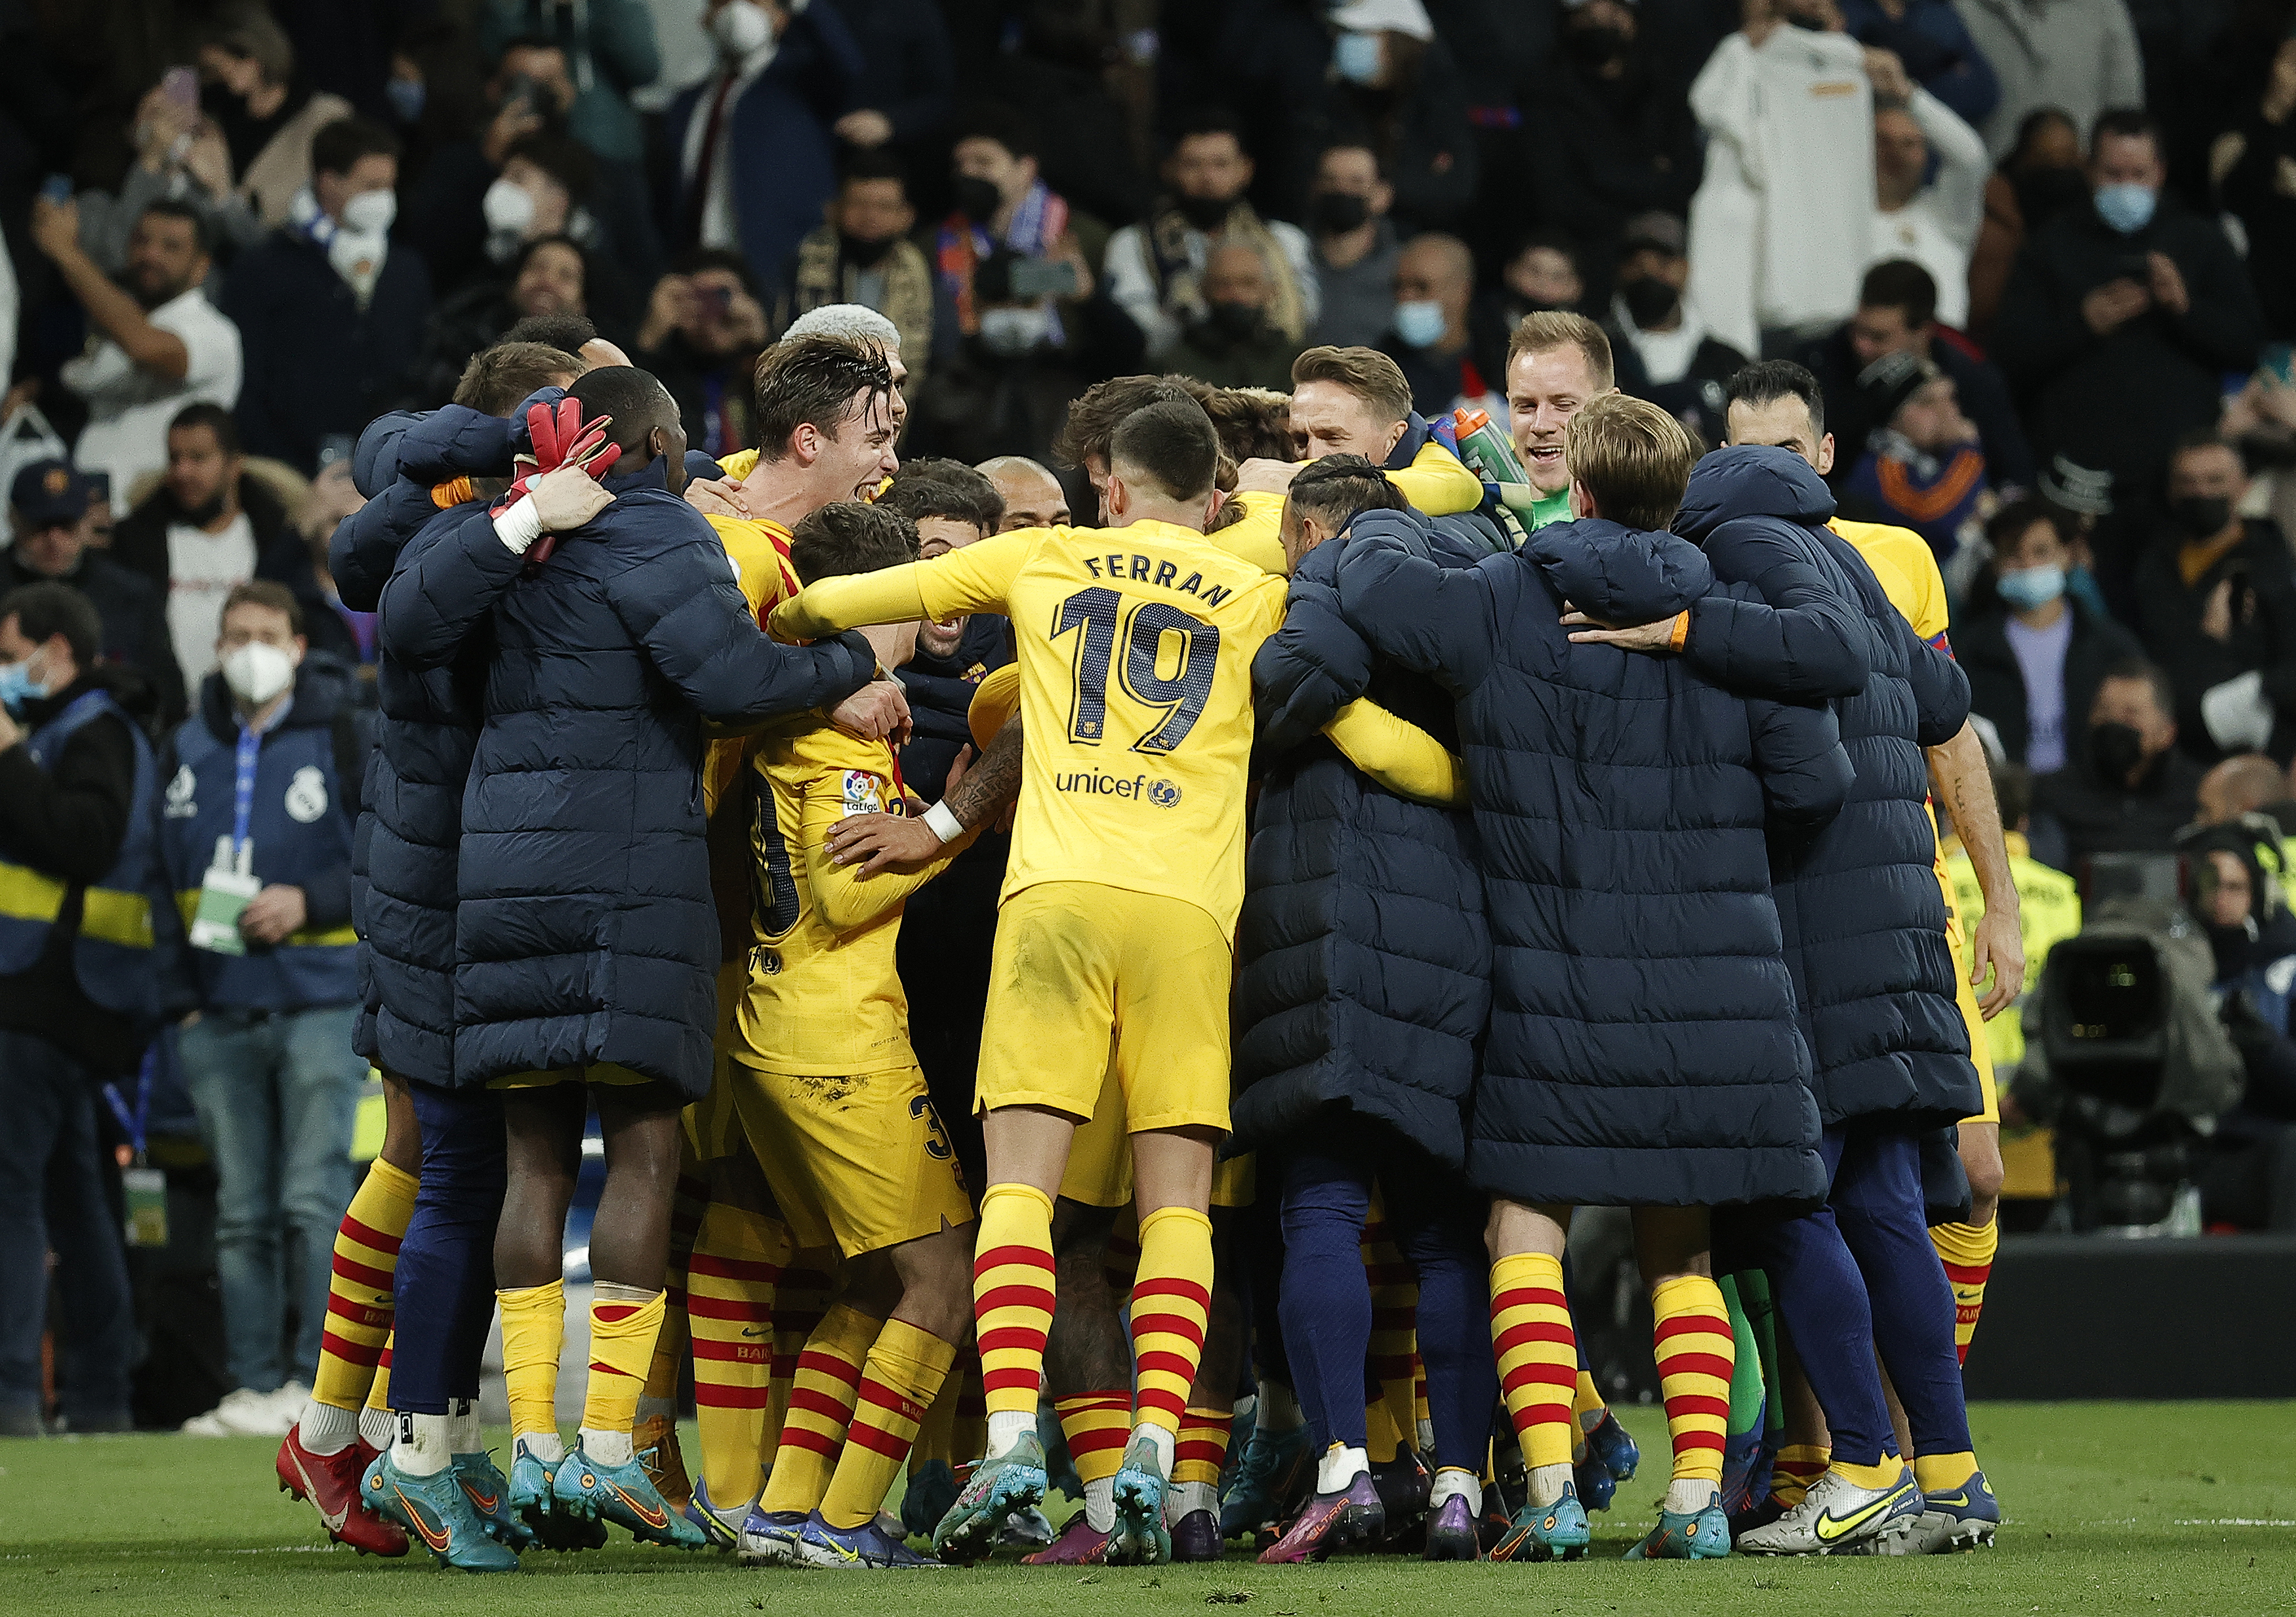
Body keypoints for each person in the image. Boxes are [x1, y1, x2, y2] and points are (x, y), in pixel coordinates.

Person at [769, 398, 1292, 1566]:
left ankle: (1010, 1437)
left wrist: (789, 597)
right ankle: (1158, 1445)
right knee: (1174, 1204)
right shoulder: (1256, 579)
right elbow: (1397, 508)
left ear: (1106, 486)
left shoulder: (1042, 558)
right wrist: (1243, 520)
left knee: (1022, 1187)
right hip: (1188, 913)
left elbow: (839, 601)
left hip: (1054, 897)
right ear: (1210, 491)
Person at [1326, 398, 1849, 1561]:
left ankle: (1554, 1494)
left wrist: (1416, 496)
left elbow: (1370, 582)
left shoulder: (1509, 596)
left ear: (1586, 493)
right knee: (1685, 1247)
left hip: (1547, 968)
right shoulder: (1729, 614)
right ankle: (1696, 1502)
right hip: (1716, 979)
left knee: (1525, 1226)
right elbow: (1813, 783)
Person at [372, 365, 878, 1553]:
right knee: (645, 1149)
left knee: (535, 1158)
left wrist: (518, 517)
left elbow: (401, 620)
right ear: (653, 447)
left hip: (498, 879)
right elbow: (732, 680)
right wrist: (848, 669)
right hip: (630, 877)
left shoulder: (497, 545)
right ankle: (610, 1452)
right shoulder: (661, 534)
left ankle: (537, 1451)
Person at [321, 338, 598, 1568]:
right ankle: (407, 1441)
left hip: (452, 877)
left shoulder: (490, 522)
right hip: (440, 884)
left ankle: (390, 1429)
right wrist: (512, 471)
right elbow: (383, 487)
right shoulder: (451, 527)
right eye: (563, 414)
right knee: (453, 1166)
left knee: (452, 1162)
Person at [1227, 455, 1492, 1563]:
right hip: (1448, 932)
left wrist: (1318, 593)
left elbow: (1285, 694)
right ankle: (1463, 1482)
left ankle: (1343, 1468)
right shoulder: (1464, 607)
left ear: (1304, 528)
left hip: (1313, 928)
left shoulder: (1306, 593)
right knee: (1442, 1230)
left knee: (1321, 1210)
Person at [722, 499, 979, 1571]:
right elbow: (844, 890)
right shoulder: (844, 730)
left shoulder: (796, 711)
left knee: (871, 1280)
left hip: (772, 1028)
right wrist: (951, 830)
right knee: (946, 1276)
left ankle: (786, 1511)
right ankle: (849, 1518)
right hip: (838, 1042)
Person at [156, 582, 372, 1439]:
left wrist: (308, 899)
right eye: (234, 634)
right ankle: (252, 1388)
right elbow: (153, 877)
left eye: (264, 634)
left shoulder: (342, 731)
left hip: (320, 999)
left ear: (294, 646)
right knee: (240, 1211)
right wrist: (181, 1004)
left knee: (309, 1202)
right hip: (219, 1011)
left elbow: (382, 849)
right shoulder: (186, 746)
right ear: (216, 648)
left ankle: (322, 1390)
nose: (248, 647)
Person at [0, 582, 154, 1439]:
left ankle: (13, 1393)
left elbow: (82, 838)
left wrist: (8, 755)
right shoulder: (92, 727)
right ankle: (98, 1396)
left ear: (52, 648)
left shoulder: (92, 729)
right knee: (74, 1196)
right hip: (64, 995)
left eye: (7, 646)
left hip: (49, 992)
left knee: (13, 1195)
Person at [1992, 109, 2262, 492]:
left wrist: (2185, 308)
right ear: (2088, 170)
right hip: (2074, 469)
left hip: (2177, 474)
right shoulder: (2052, 243)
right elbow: (2011, 355)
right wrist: (2083, 323)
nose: (2125, 188)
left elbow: (2246, 345)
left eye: (2138, 175)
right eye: (2112, 174)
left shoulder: (2200, 240)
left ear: (2161, 173)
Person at [222, 116, 434, 472]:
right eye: (371, 186)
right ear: (328, 183)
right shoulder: (264, 268)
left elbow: (424, 364)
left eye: (389, 186)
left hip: (394, 472)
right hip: (288, 471)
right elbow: (248, 380)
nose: (383, 199)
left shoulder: (405, 269)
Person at [1687, 0, 1881, 358]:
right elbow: (1708, 103)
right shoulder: (1742, 56)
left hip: (1835, 282)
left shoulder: (1848, 62)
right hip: (1767, 268)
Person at [31, 196, 243, 514]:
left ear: (201, 267)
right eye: (141, 241)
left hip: (159, 518)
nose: (150, 254)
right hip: (88, 512)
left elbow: (143, 346)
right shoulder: (112, 332)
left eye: (171, 247)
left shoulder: (215, 333)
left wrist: (66, 252)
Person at [111, 404, 312, 695]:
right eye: (175, 458)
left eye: (198, 458)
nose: (182, 471)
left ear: (234, 466)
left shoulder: (276, 539)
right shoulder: (135, 542)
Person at [659, 0, 866, 274]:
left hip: (780, 265)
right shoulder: (687, 103)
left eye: (753, 1)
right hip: (699, 265)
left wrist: (803, 5)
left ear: (782, 17)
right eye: (723, 3)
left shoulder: (801, 84)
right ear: (705, 19)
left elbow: (847, 66)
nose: (736, 10)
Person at [2128, 432, 2296, 766]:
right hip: (2163, 749)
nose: (2200, 492)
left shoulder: (2276, 566)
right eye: (2187, 482)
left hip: (2245, 751)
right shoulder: (2152, 561)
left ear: (2244, 485)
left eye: (2214, 480)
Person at [1103, 109, 1320, 363]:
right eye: (1193, 165)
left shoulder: (1285, 241)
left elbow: (1306, 316)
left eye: (1221, 164)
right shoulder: (1133, 244)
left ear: (1245, 170)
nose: (1208, 178)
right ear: (1169, 170)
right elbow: (1142, 331)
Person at [1800, 260, 2033, 491]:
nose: (1862, 346)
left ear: (1922, 332)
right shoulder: (1818, 364)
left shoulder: (1971, 380)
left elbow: (2014, 474)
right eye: (1858, 330)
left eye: (1879, 337)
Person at [1958, 499, 2142, 772]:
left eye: (2041, 552)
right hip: (2007, 798)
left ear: (2067, 555)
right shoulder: (1969, 651)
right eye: (2013, 554)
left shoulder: (2111, 646)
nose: (2028, 564)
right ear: (1995, 563)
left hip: (2088, 799)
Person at [1525, 0, 1703, 271]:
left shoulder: (1662, 90)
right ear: (1568, 20)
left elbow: (1687, 174)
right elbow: (1557, 196)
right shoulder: (1545, 92)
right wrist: (1648, 178)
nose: (1601, 23)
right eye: (1588, 14)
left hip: (1660, 248)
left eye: (1615, 12)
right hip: (1581, 255)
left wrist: (1603, 176)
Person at [5, 459, 184, 726]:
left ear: (87, 521)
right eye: (40, 526)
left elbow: (167, 694)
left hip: (104, 744)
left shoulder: (130, 595)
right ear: (13, 519)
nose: (54, 540)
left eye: (66, 526)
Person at [2181, 819, 2296, 1231]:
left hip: (2262, 1151)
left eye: (2236, 887)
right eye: (2212, 885)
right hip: (2185, 1150)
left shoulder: (2287, 970)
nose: (2221, 900)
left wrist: (2262, 1046)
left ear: (2257, 893)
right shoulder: (2169, 964)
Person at [933, 105, 1103, 365]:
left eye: (983, 162)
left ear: (1026, 169)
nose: (967, 173)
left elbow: (1126, 349)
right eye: (960, 165)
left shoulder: (1082, 236)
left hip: (1060, 384)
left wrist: (1090, 300)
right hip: (970, 385)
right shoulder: (936, 242)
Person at [2029, 659, 2203, 869]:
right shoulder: (2051, 794)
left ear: (2167, 731)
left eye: (2130, 714)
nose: (2114, 724)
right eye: (2104, 712)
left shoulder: (2199, 796)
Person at [781, 152, 935, 382]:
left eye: (884, 207)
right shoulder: (803, 264)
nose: (871, 217)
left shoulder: (924, 273)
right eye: (860, 205)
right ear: (834, 210)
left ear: (906, 217)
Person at [1605, 211, 1748, 447]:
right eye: (1638, 264)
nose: (1649, 273)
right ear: (1621, 271)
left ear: (1685, 268)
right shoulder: (1598, 355)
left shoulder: (1727, 362)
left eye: (1661, 263)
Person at [1839, 351, 1991, 569]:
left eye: (1950, 398)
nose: (1946, 411)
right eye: (1927, 402)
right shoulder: (1879, 469)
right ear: (1891, 419)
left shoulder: (1932, 457)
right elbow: (1932, 513)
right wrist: (1967, 450)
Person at [1953, 0, 2144, 161]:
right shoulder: (1958, 9)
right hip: (1985, 182)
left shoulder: (2105, 9)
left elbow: (2124, 114)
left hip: (2083, 180)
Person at [1867, 84, 1988, 330]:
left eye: (1909, 144)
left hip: (1937, 356)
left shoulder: (1946, 218)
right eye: (1883, 140)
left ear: (1926, 154)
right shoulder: (1837, 215)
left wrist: (1909, 95)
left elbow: (1970, 159)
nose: (1895, 153)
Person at [1967, 108, 2089, 341]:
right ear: (2024, 160)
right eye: (2048, 162)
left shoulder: (2085, 217)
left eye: (2069, 160)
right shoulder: (1989, 231)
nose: (2060, 173)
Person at [637, 249, 772, 458]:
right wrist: (653, 333)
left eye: (722, 295)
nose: (710, 308)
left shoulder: (760, 372)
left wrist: (763, 345)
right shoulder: (663, 376)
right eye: (698, 296)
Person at [1506, 311, 1619, 530]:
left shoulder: (1646, 524)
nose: (1541, 425)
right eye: (1526, 406)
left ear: (1611, 407)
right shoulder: (1478, 512)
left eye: (1563, 405)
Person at [2220, 36, 2296, 342]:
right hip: (2267, 304)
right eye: (2290, 60)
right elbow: (2235, 197)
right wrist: (2274, 111)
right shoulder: (2252, 120)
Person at [1377, 233, 1497, 421]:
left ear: (1462, 291)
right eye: (1399, 287)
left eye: (1421, 287)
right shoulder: (1381, 368)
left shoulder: (1500, 361)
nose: (1406, 298)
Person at [1166, 245, 1303, 393]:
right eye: (1223, 285)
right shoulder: (1175, 367)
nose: (1235, 295)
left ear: (1271, 291)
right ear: (1204, 291)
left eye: (1248, 283)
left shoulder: (1297, 365)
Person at [1839, 0, 1999, 126]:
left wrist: (1910, 84)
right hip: (1859, 123)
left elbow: (1985, 95)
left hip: (1929, 136)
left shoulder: (1937, 11)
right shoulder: (1842, 10)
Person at [1307, 144, 1402, 349]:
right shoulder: (1291, 256)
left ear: (1382, 195)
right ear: (1315, 188)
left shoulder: (1402, 267)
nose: (1342, 190)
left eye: (1356, 182)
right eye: (1330, 180)